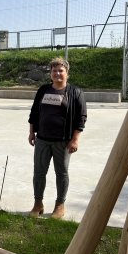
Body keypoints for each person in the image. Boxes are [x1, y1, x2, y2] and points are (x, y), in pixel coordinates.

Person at [27, 57, 87, 219]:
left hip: (63, 142)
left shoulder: (75, 92)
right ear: (50, 74)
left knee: (62, 173)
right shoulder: (43, 90)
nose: (57, 73)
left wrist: (75, 139)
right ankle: (38, 204)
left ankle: (60, 205)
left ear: (67, 73)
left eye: (61, 70)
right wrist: (32, 132)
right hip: (42, 140)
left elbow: (81, 118)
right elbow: (34, 113)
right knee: (39, 173)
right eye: (54, 71)